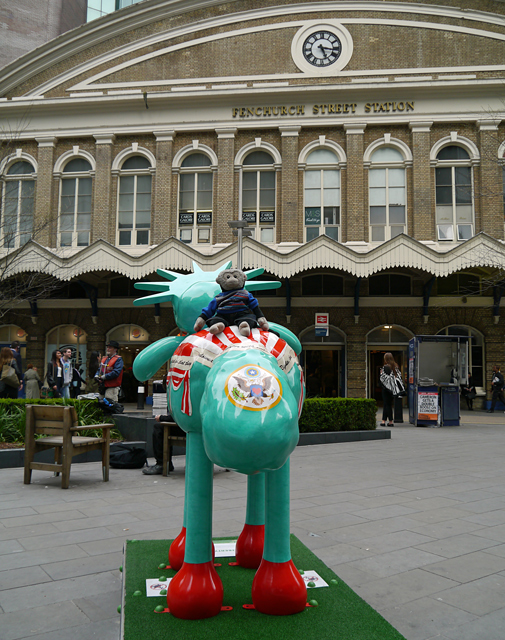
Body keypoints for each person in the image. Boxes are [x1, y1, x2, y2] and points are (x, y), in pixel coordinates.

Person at [379, 352, 402, 427]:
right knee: (387, 404)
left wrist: (381, 373)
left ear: (385, 359)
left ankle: (391, 421)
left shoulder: (385, 367)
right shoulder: (396, 366)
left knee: (387, 404)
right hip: (393, 389)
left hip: (386, 388)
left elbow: (382, 379)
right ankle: (383, 420)